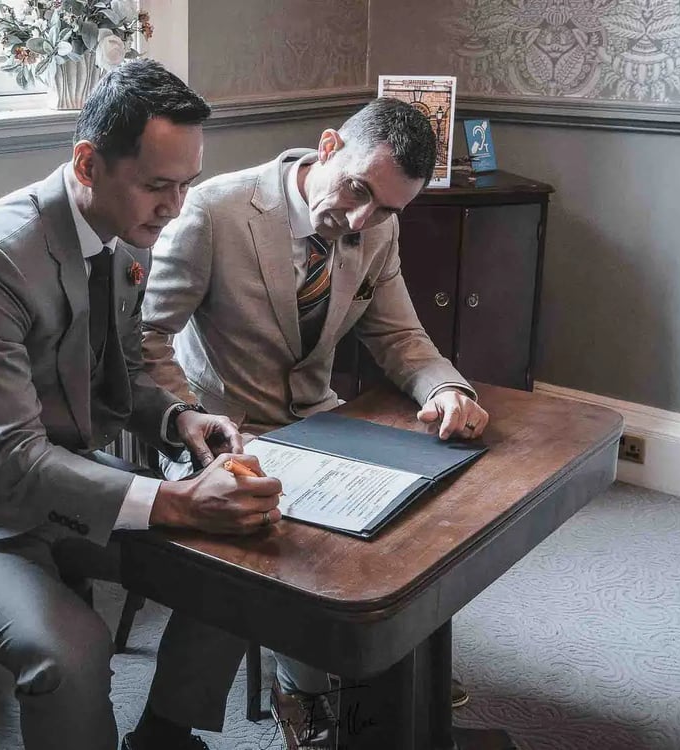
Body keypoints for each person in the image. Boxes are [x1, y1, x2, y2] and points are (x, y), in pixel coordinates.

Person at [0, 59, 282, 750]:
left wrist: (179, 418)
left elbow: (118, 382)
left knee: (251, 566)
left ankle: (163, 735)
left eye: (188, 184)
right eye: (158, 185)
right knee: (74, 651)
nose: (177, 207)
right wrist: (179, 503)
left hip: (71, 485)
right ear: (88, 163)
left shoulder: (127, 244)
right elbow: (11, 462)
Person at [141, 96, 490, 749]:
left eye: (386, 207)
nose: (362, 218)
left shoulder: (378, 224)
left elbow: (400, 337)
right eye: (358, 190)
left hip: (318, 420)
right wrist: (191, 421)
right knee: (251, 534)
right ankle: (175, 725)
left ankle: (383, 668)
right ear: (327, 146)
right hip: (217, 429)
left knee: (424, 510)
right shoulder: (216, 211)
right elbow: (147, 339)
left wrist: (444, 388)